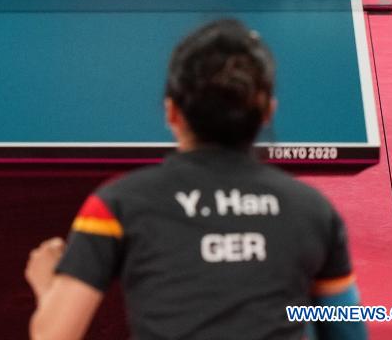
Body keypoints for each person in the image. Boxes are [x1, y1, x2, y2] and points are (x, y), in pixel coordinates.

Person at [24, 19, 366, 340]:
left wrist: (47, 285)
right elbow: (348, 331)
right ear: (267, 112)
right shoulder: (313, 211)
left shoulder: (115, 206)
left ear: (171, 112)